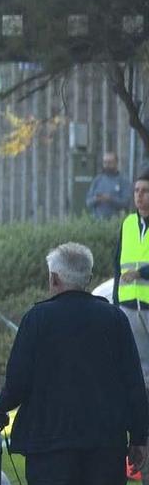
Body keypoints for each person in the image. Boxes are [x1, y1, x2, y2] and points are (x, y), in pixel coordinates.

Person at [0, 242, 149, 485]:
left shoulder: (37, 319)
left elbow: (17, 381)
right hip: (105, 441)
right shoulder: (114, 319)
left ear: (54, 278)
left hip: (50, 441)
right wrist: (140, 437)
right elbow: (134, 383)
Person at [116, 169, 149, 396]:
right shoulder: (128, 223)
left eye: (145, 191)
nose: (140, 195)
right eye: (136, 190)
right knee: (136, 369)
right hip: (128, 307)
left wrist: (141, 273)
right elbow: (116, 261)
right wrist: (117, 302)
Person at [87, 151, 129, 218]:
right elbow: (88, 202)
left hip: (115, 222)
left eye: (110, 162)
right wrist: (97, 199)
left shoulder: (123, 181)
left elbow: (126, 203)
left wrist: (110, 199)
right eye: (105, 162)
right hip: (97, 222)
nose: (107, 165)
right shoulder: (97, 180)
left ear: (116, 163)